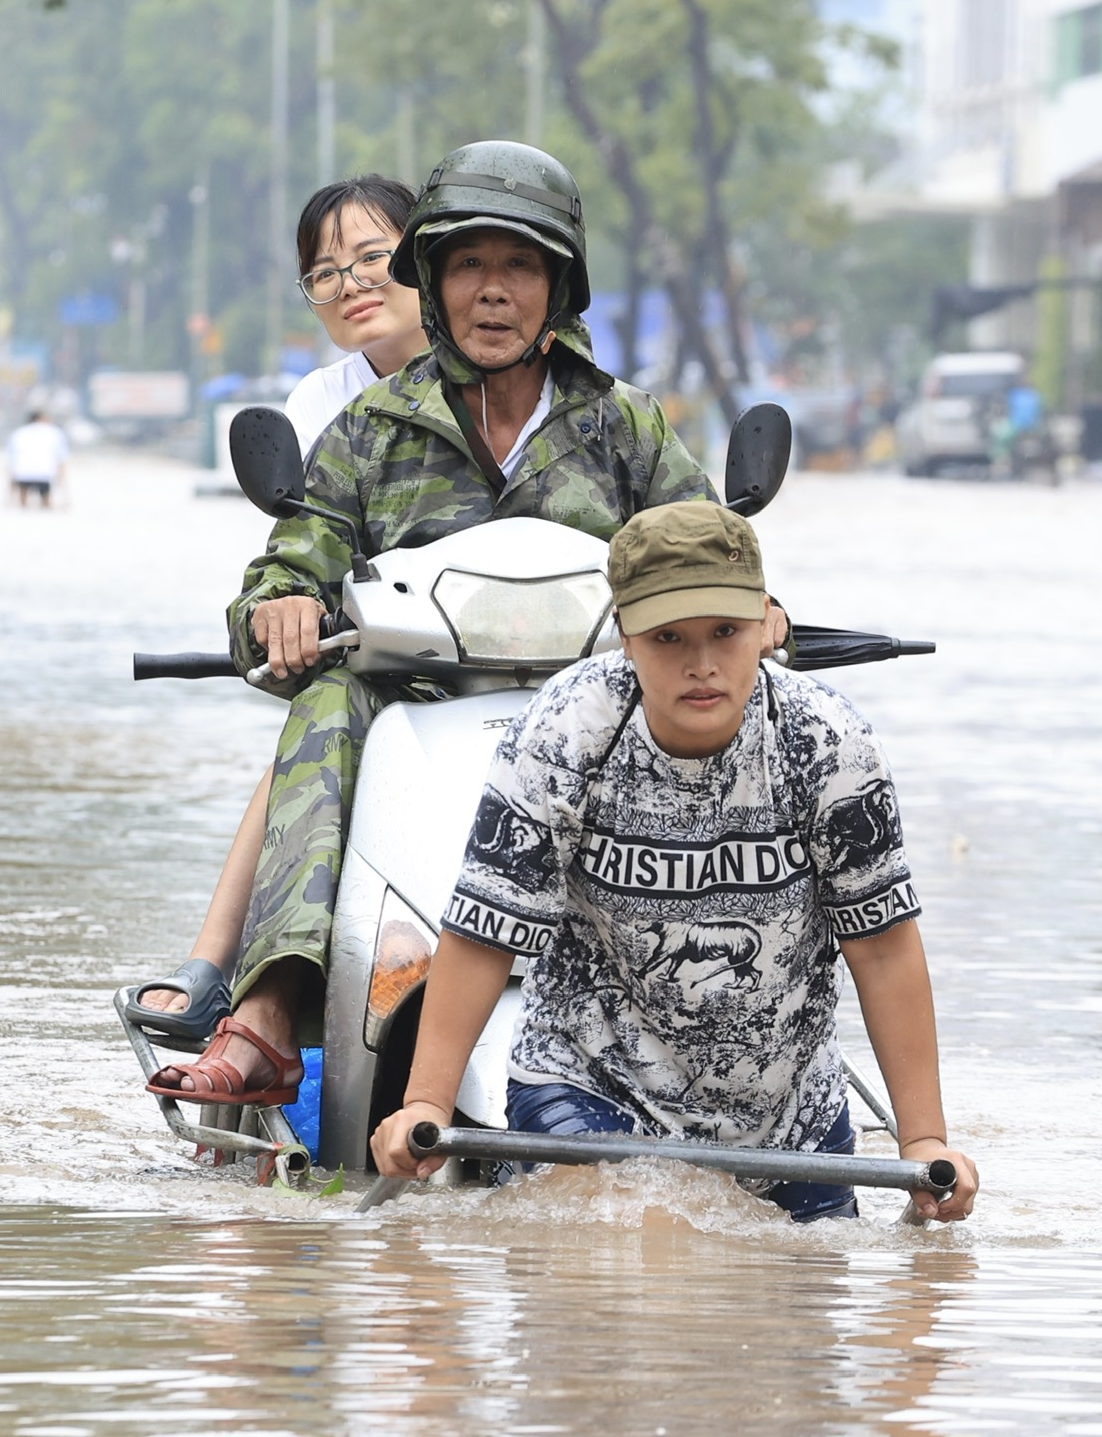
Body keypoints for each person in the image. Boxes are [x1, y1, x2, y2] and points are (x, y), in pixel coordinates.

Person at [140, 140, 748, 1110]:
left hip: (597, 715)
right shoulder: (369, 429)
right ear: (435, 281)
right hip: (412, 709)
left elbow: (705, 554)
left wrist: (749, 608)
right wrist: (283, 609)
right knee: (333, 694)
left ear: (559, 286)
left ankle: (747, 1004)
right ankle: (267, 1011)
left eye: (520, 266)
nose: (493, 291)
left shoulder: (626, 425)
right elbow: (287, 565)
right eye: (470, 265)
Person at [369, 500, 980, 1225]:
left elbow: (882, 949)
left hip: (787, 1115)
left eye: (725, 632)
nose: (701, 664)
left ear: (764, 622)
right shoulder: (563, 734)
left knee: (812, 1296)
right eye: (669, 638)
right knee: (621, 1252)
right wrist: (426, 1105)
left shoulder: (829, 743)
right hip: (591, 1081)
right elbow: (484, 935)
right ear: (625, 634)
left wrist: (925, 1141)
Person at [124, 174, 431, 1037]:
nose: (351, 284)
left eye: (373, 257)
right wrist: (287, 605)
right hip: (392, 667)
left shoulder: (559, 393)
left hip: (532, 667)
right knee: (321, 721)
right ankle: (225, 972)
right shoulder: (327, 410)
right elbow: (299, 550)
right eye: (325, 272)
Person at [5, 408, 70, 508]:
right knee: (46, 505)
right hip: (45, 474)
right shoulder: (55, 432)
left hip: (22, 474)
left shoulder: (18, 433)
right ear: (41, 419)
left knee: (23, 504)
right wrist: (65, 495)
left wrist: (10, 496)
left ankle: (23, 503)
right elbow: (61, 460)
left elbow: (12, 461)